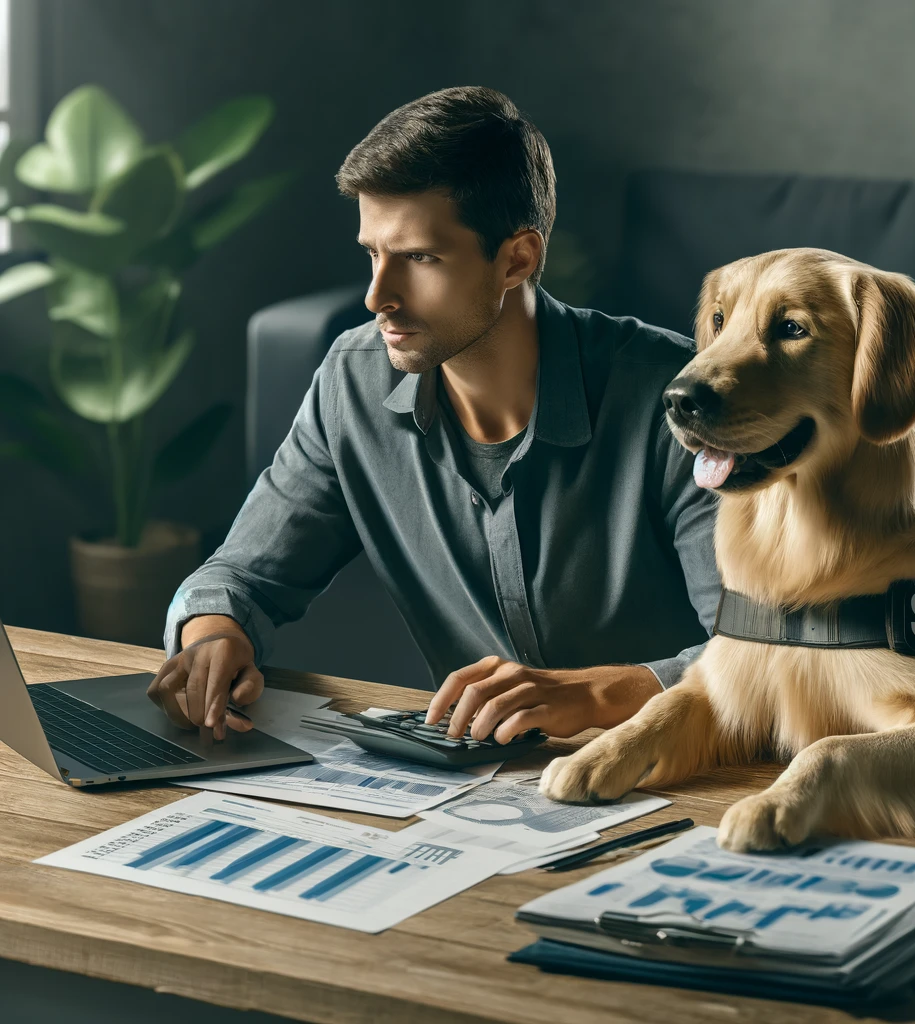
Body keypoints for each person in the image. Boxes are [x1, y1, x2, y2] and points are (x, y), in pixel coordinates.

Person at [149, 85, 721, 745]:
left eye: (419, 258)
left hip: (689, 780)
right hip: (474, 795)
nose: (377, 296)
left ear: (517, 259)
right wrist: (212, 638)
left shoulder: (683, 402)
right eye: (372, 253)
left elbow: (778, 658)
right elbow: (241, 574)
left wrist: (598, 693)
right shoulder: (353, 381)